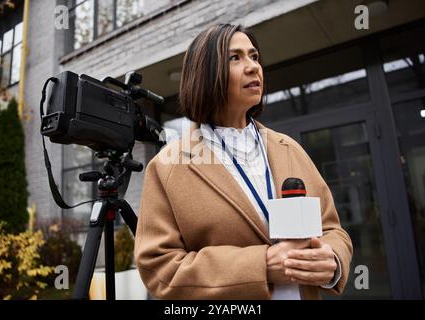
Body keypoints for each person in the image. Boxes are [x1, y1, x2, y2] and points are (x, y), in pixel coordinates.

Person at [134, 24, 353, 300]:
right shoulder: (168, 166)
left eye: (254, 56)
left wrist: (332, 260)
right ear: (204, 74)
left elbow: (333, 229)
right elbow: (160, 268)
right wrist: (260, 266)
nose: (252, 67)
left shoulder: (290, 149)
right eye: (235, 58)